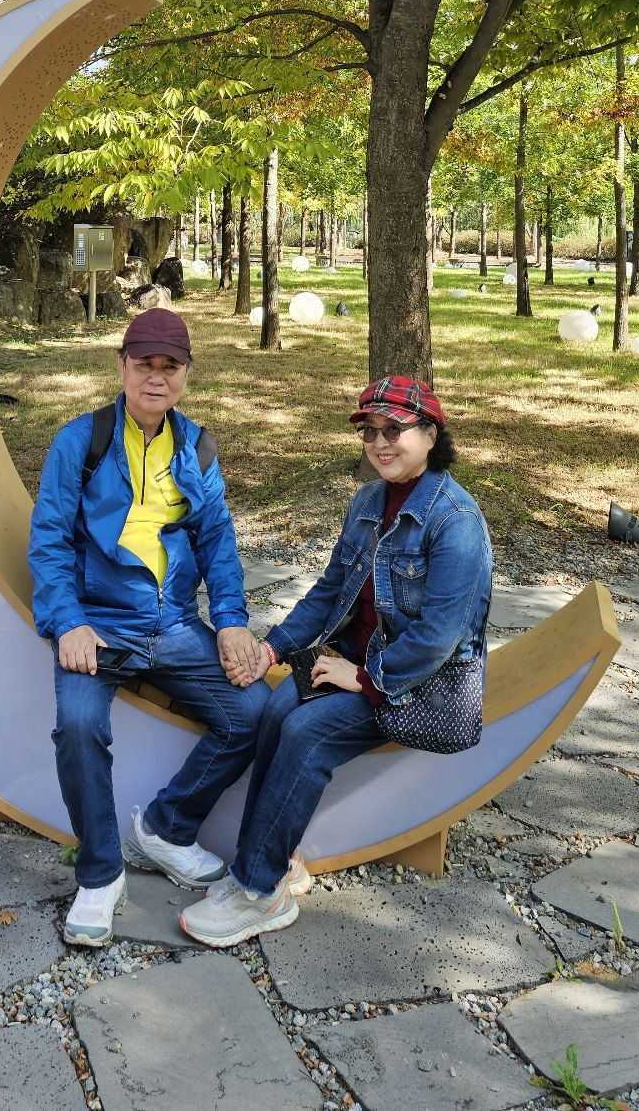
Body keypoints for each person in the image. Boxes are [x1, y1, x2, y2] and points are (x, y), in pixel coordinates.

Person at [180, 375, 493, 947]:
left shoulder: (456, 522)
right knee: (276, 708)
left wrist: (366, 678)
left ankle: (258, 891)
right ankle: (276, 860)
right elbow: (330, 593)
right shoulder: (369, 500)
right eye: (370, 431)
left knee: (307, 732)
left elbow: (439, 638)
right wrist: (273, 649)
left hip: (422, 685)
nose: (380, 443)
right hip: (358, 660)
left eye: (394, 430)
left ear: (431, 435)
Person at [28, 307, 270, 947]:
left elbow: (217, 541)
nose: (156, 378)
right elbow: (49, 541)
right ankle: (100, 875)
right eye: (144, 364)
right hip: (99, 624)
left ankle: (165, 828)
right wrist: (68, 623)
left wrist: (230, 622)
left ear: (186, 375)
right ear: (122, 367)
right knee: (79, 726)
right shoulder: (80, 442)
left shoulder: (197, 447)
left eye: (170, 366)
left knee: (253, 712)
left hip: (171, 622)